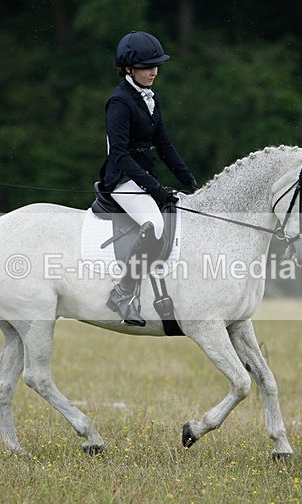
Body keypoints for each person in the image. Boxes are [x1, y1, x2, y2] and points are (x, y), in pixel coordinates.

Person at [100, 30, 198, 326]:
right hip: (121, 179)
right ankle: (122, 293)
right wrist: (154, 187)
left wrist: (190, 182)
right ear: (129, 68)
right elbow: (119, 154)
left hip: (142, 177)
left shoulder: (150, 99)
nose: (154, 71)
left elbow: (165, 146)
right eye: (146, 66)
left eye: (156, 65)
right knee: (153, 224)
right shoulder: (119, 102)